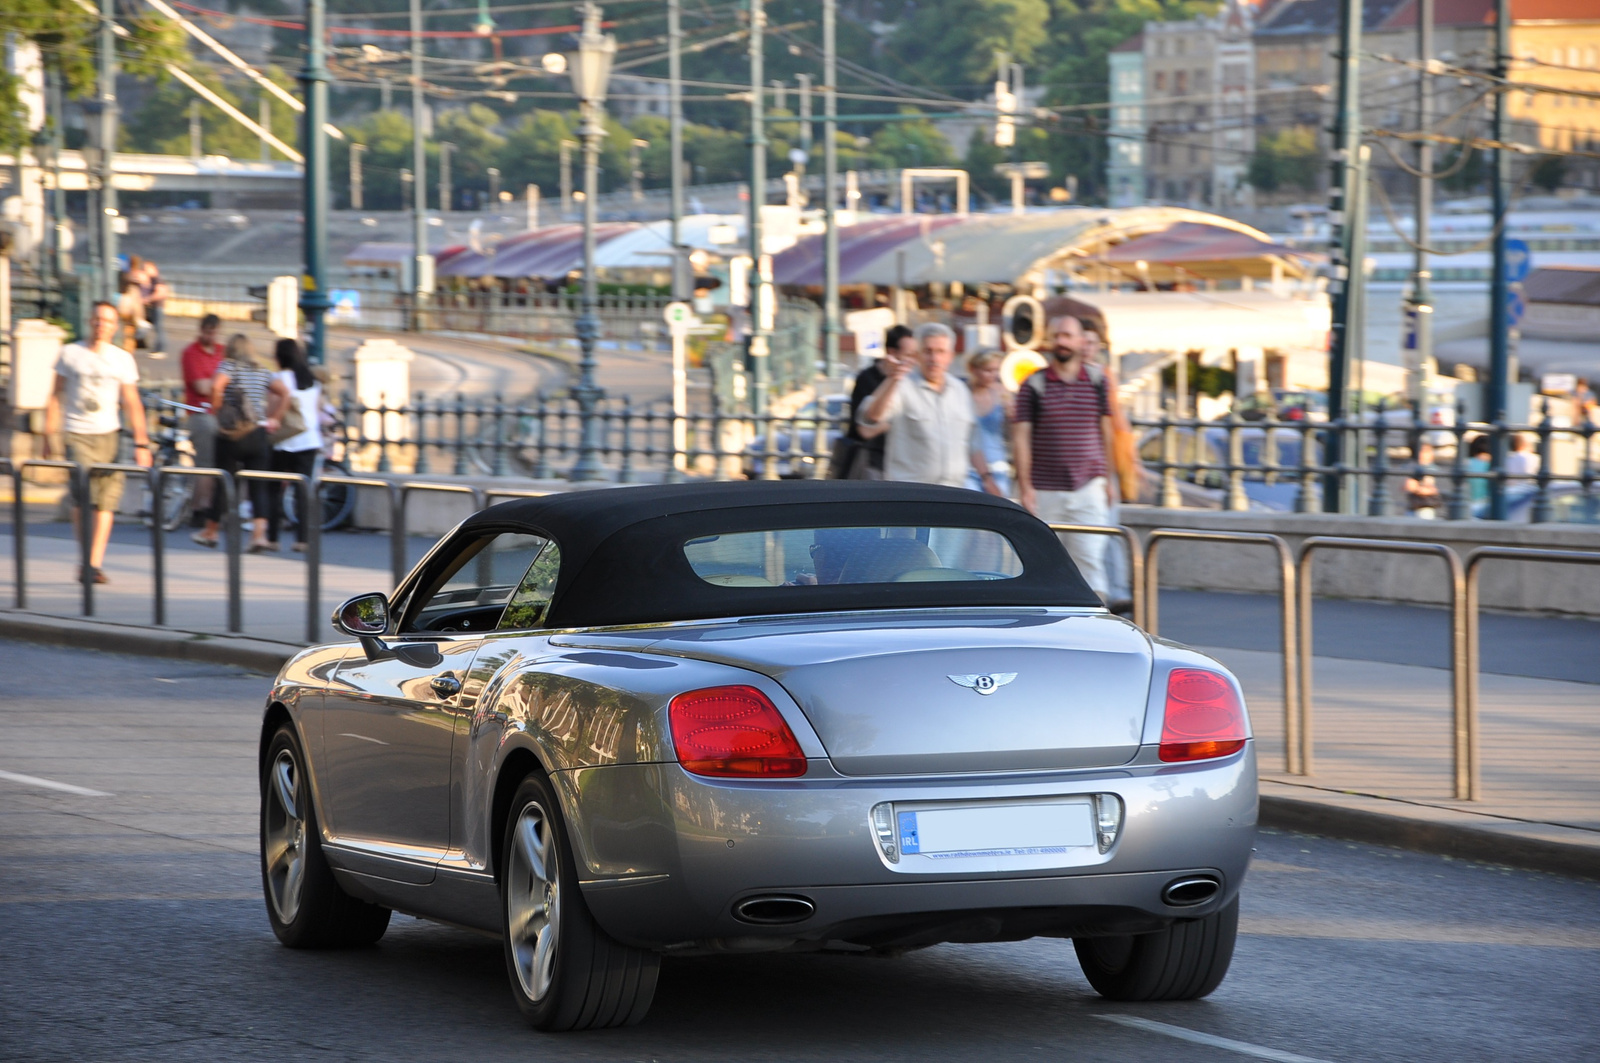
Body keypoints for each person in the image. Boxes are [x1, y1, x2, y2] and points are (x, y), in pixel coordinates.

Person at [43, 300, 153, 584]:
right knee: (84, 497)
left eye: (107, 320)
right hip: (78, 432)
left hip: (109, 434)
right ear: (89, 321)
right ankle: (85, 558)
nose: (101, 324)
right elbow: (55, 396)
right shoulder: (70, 353)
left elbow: (131, 401)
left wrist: (142, 442)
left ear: (115, 326)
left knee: (105, 501)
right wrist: (48, 434)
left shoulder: (121, 358)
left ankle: (94, 562)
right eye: (97, 319)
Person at [1013, 314, 1115, 597]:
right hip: (1046, 489)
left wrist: (1109, 479)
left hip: (1089, 486)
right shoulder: (1033, 385)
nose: (1061, 341)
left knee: (1090, 561)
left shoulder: (1097, 381)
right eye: (1056, 335)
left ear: (1082, 341)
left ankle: (1097, 626)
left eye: (1068, 335)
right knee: (1045, 565)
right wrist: (1026, 488)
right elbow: (1021, 438)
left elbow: (1106, 431)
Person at [855, 322, 984, 489]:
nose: (934, 359)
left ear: (950, 356)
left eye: (940, 352)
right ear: (917, 355)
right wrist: (893, 379)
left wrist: (986, 477)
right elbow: (871, 417)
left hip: (955, 491)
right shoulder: (902, 386)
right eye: (928, 351)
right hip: (912, 493)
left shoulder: (960, 391)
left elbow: (972, 441)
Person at [191, 334, 290, 553]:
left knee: (225, 483)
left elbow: (217, 387)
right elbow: (284, 392)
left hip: (231, 434)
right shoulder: (262, 370)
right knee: (258, 486)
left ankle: (211, 530)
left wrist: (216, 409)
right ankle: (259, 536)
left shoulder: (229, 366)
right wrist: (275, 418)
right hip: (257, 433)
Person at [834, 324, 915, 480]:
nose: (913, 361)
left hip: (901, 462)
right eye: (909, 355)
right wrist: (900, 419)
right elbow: (864, 430)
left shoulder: (911, 380)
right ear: (892, 352)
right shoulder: (868, 379)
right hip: (872, 463)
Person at [265, 338, 324, 553]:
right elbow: (317, 410)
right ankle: (303, 539)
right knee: (303, 490)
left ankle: (272, 537)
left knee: (272, 489)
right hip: (308, 440)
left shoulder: (280, 378)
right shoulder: (312, 379)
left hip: (284, 441)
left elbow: (272, 408)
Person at [180, 314, 225, 520]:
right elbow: (201, 386)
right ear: (201, 330)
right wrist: (219, 386)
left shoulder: (222, 352)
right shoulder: (191, 353)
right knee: (206, 460)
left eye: (214, 332)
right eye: (208, 331)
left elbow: (221, 385)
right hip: (200, 412)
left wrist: (215, 386)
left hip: (220, 412)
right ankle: (200, 507)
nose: (211, 336)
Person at [964, 348, 1011, 496]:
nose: (993, 375)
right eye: (987, 370)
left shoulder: (1002, 393)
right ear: (974, 369)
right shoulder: (962, 393)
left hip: (997, 466)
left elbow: (1011, 434)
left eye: (996, 370)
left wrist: (1011, 417)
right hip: (967, 468)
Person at [1403, 441, 1443, 518]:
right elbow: (1409, 486)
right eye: (1424, 451)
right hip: (1417, 506)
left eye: (1429, 451)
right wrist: (1426, 490)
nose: (1429, 454)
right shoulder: (1413, 467)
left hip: (1428, 506)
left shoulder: (1433, 468)